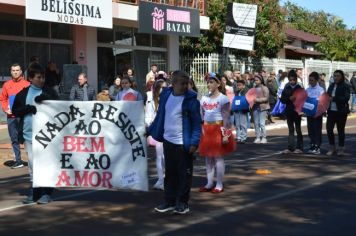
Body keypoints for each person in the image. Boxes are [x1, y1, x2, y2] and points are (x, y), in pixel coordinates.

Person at [148, 70, 201, 214]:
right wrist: (150, 130)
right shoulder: (166, 95)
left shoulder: (192, 101)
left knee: (184, 174)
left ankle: (182, 203)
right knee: (170, 173)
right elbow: (159, 116)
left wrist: (194, 143)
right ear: (174, 83)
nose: (185, 86)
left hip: (183, 144)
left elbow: (197, 124)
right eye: (182, 83)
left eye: (187, 84)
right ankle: (169, 201)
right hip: (168, 141)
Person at [12, 63, 59, 204]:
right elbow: (15, 111)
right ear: (31, 78)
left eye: (43, 77)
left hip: (47, 137)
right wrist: (27, 108)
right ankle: (34, 191)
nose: (42, 80)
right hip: (28, 135)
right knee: (33, 165)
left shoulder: (49, 91)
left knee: (45, 163)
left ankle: (46, 192)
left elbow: (59, 108)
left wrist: (46, 100)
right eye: (39, 77)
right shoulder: (23, 93)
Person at [199, 73, 235, 194]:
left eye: (212, 82)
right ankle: (209, 183)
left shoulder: (223, 98)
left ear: (218, 84)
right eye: (208, 82)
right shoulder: (203, 98)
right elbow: (202, 116)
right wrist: (202, 130)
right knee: (208, 158)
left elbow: (226, 118)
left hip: (218, 130)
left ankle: (219, 184)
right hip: (207, 130)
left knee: (218, 157)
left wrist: (226, 135)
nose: (209, 84)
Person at [0, 63, 30, 168]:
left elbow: (30, 100)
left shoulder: (27, 84)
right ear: (11, 72)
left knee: (27, 138)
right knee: (14, 139)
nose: (15, 72)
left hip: (24, 117)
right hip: (11, 117)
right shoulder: (6, 85)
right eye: (13, 70)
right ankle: (18, 161)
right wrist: (5, 109)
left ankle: (32, 160)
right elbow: (3, 99)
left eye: (17, 70)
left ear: (21, 72)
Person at [145, 79, 167, 190]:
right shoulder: (151, 100)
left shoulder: (169, 98)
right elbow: (148, 115)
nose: (164, 89)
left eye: (165, 87)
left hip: (168, 130)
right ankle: (160, 179)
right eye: (162, 87)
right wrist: (150, 126)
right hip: (157, 129)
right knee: (159, 156)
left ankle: (166, 179)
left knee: (166, 156)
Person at [326, 70, 350, 156]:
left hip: (341, 111)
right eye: (334, 76)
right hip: (331, 111)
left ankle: (341, 148)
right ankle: (332, 148)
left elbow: (346, 98)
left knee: (340, 130)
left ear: (342, 77)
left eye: (338, 76)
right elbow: (327, 95)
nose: (336, 77)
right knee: (329, 129)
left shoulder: (346, 86)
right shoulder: (331, 85)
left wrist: (334, 98)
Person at [280, 70, 304, 154]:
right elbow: (282, 99)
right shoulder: (286, 88)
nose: (292, 81)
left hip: (297, 111)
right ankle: (290, 147)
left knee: (298, 129)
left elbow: (303, 99)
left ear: (296, 79)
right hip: (289, 111)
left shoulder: (299, 88)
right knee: (291, 130)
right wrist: (288, 99)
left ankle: (299, 147)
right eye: (290, 80)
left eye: (293, 80)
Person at [305, 72, 325, 155]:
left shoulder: (320, 90)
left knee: (317, 129)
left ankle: (317, 146)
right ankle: (312, 144)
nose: (310, 82)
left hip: (317, 113)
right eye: (309, 80)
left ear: (316, 80)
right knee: (310, 129)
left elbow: (322, 101)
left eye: (312, 80)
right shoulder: (307, 89)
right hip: (309, 113)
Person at [252, 75, 270, 144]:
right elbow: (250, 96)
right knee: (256, 123)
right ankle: (257, 137)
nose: (256, 81)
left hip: (263, 107)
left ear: (261, 80)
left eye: (257, 80)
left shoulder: (265, 88)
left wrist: (257, 100)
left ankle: (264, 137)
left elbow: (266, 98)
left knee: (261, 123)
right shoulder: (253, 88)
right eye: (255, 80)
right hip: (255, 107)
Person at [232, 80, 249, 144]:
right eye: (237, 85)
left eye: (240, 85)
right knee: (237, 124)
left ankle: (243, 137)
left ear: (243, 85)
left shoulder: (246, 91)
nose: (238, 86)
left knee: (243, 124)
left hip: (243, 109)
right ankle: (238, 137)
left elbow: (248, 100)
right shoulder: (236, 92)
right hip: (237, 109)